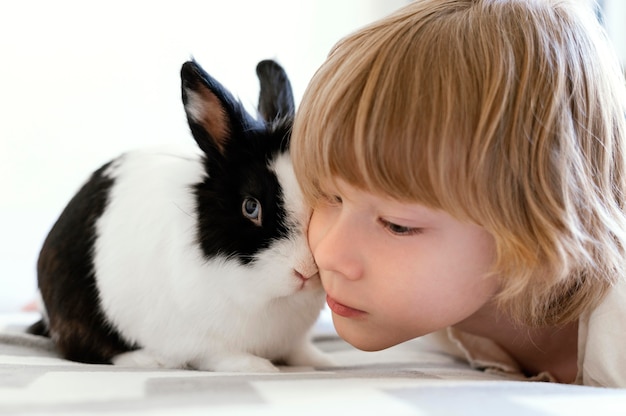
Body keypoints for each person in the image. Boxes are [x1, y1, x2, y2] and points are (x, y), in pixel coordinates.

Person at [291, 0, 626, 387]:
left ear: (543, 229)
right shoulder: (442, 309)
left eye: (397, 225)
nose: (327, 254)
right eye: (329, 197)